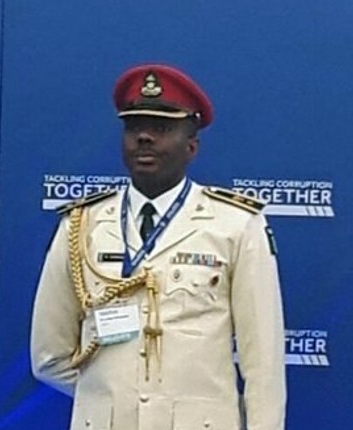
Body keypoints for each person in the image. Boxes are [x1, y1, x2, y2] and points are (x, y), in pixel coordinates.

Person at [30, 64, 285, 430]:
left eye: (162, 129)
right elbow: (49, 355)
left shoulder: (236, 225)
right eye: (134, 128)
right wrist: (108, 396)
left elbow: (264, 363)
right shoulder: (82, 225)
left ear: (192, 146)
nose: (144, 138)